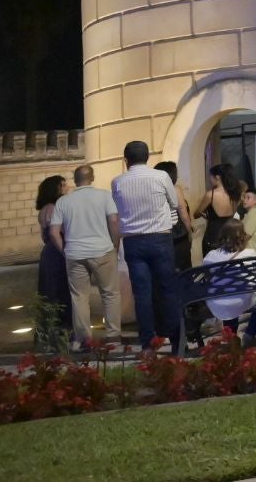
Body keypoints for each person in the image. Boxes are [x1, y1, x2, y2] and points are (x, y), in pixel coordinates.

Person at [111, 140, 184, 353]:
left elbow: (118, 207)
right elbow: (173, 202)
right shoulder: (161, 177)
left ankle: (147, 343)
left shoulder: (117, 182)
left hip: (133, 241)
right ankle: (175, 340)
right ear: (148, 157)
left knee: (142, 294)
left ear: (125, 160)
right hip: (160, 238)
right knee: (167, 289)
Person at [50, 164, 122, 350]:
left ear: (75, 179)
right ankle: (113, 337)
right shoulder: (105, 196)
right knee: (110, 294)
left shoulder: (63, 202)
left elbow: (53, 232)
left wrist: (64, 250)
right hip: (103, 251)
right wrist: (115, 244)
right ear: (92, 177)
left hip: (75, 254)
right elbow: (114, 221)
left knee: (79, 297)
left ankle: (83, 339)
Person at [199, 220, 256, 344]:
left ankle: (231, 338)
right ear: (242, 237)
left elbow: (206, 278)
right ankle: (250, 333)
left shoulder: (211, 256)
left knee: (230, 293)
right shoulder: (249, 254)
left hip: (217, 303)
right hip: (244, 301)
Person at [35, 174, 73, 331]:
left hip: (50, 251)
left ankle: (52, 325)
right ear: (55, 189)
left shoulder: (45, 208)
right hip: (58, 250)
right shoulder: (53, 208)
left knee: (51, 288)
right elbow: (54, 232)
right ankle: (61, 326)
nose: (67, 187)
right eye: (63, 185)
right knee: (59, 288)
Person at [194, 163, 244, 254]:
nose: (209, 179)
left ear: (217, 177)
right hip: (229, 235)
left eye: (211, 177)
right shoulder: (235, 193)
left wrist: (205, 215)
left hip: (213, 235)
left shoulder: (211, 195)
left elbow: (196, 214)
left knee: (211, 264)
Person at [154, 161, 194, 270]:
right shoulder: (175, 189)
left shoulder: (153, 190)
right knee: (183, 269)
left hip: (159, 233)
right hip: (177, 233)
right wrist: (189, 232)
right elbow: (183, 214)